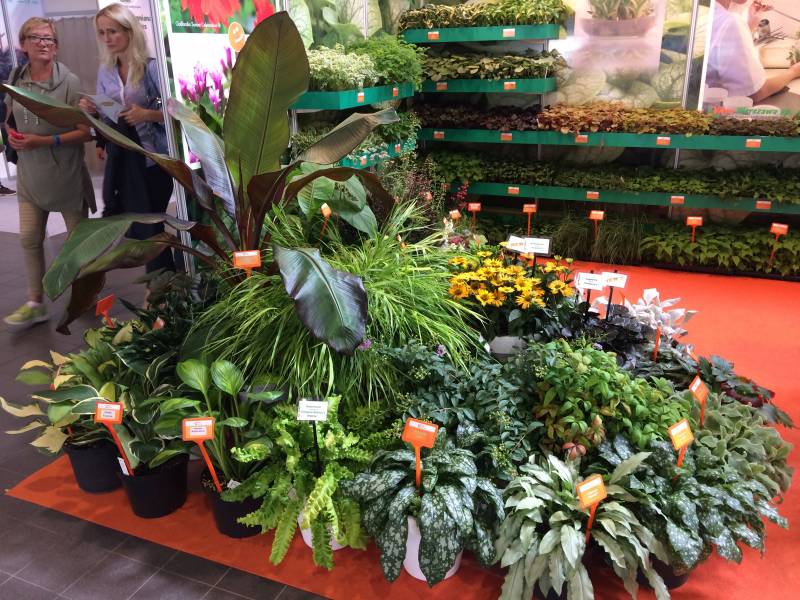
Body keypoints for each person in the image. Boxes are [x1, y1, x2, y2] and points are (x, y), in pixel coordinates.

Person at [3, 18, 95, 329]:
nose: (44, 44)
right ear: (23, 44)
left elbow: (85, 132)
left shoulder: (69, 82)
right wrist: (11, 135)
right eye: (37, 38)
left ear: (56, 46)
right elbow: (10, 117)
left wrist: (42, 141)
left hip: (66, 175)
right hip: (30, 176)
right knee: (29, 239)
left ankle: (86, 294)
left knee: (78, 243)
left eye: (49, 39)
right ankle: (35, 303)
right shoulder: (16, 77)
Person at [80, 2, 174, 273]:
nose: (107, 38)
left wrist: (147, 114)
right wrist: (93, 109)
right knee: (143, 228)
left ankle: (160, 284)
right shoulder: (106, 70)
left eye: (112, 31)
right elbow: (110, 116)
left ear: (129, 31)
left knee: (152, 224)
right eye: (102, 32)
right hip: (126, 161)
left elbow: (177, 112)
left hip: (155, 160)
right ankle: (161, 284)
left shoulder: (151, 68)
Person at [708, 0, 800, 105]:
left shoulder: (711, 12)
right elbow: (754, 94)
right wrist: (793, 72)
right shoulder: (729, 21)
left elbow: (724, 47)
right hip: (718, 109)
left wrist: (749, 26)